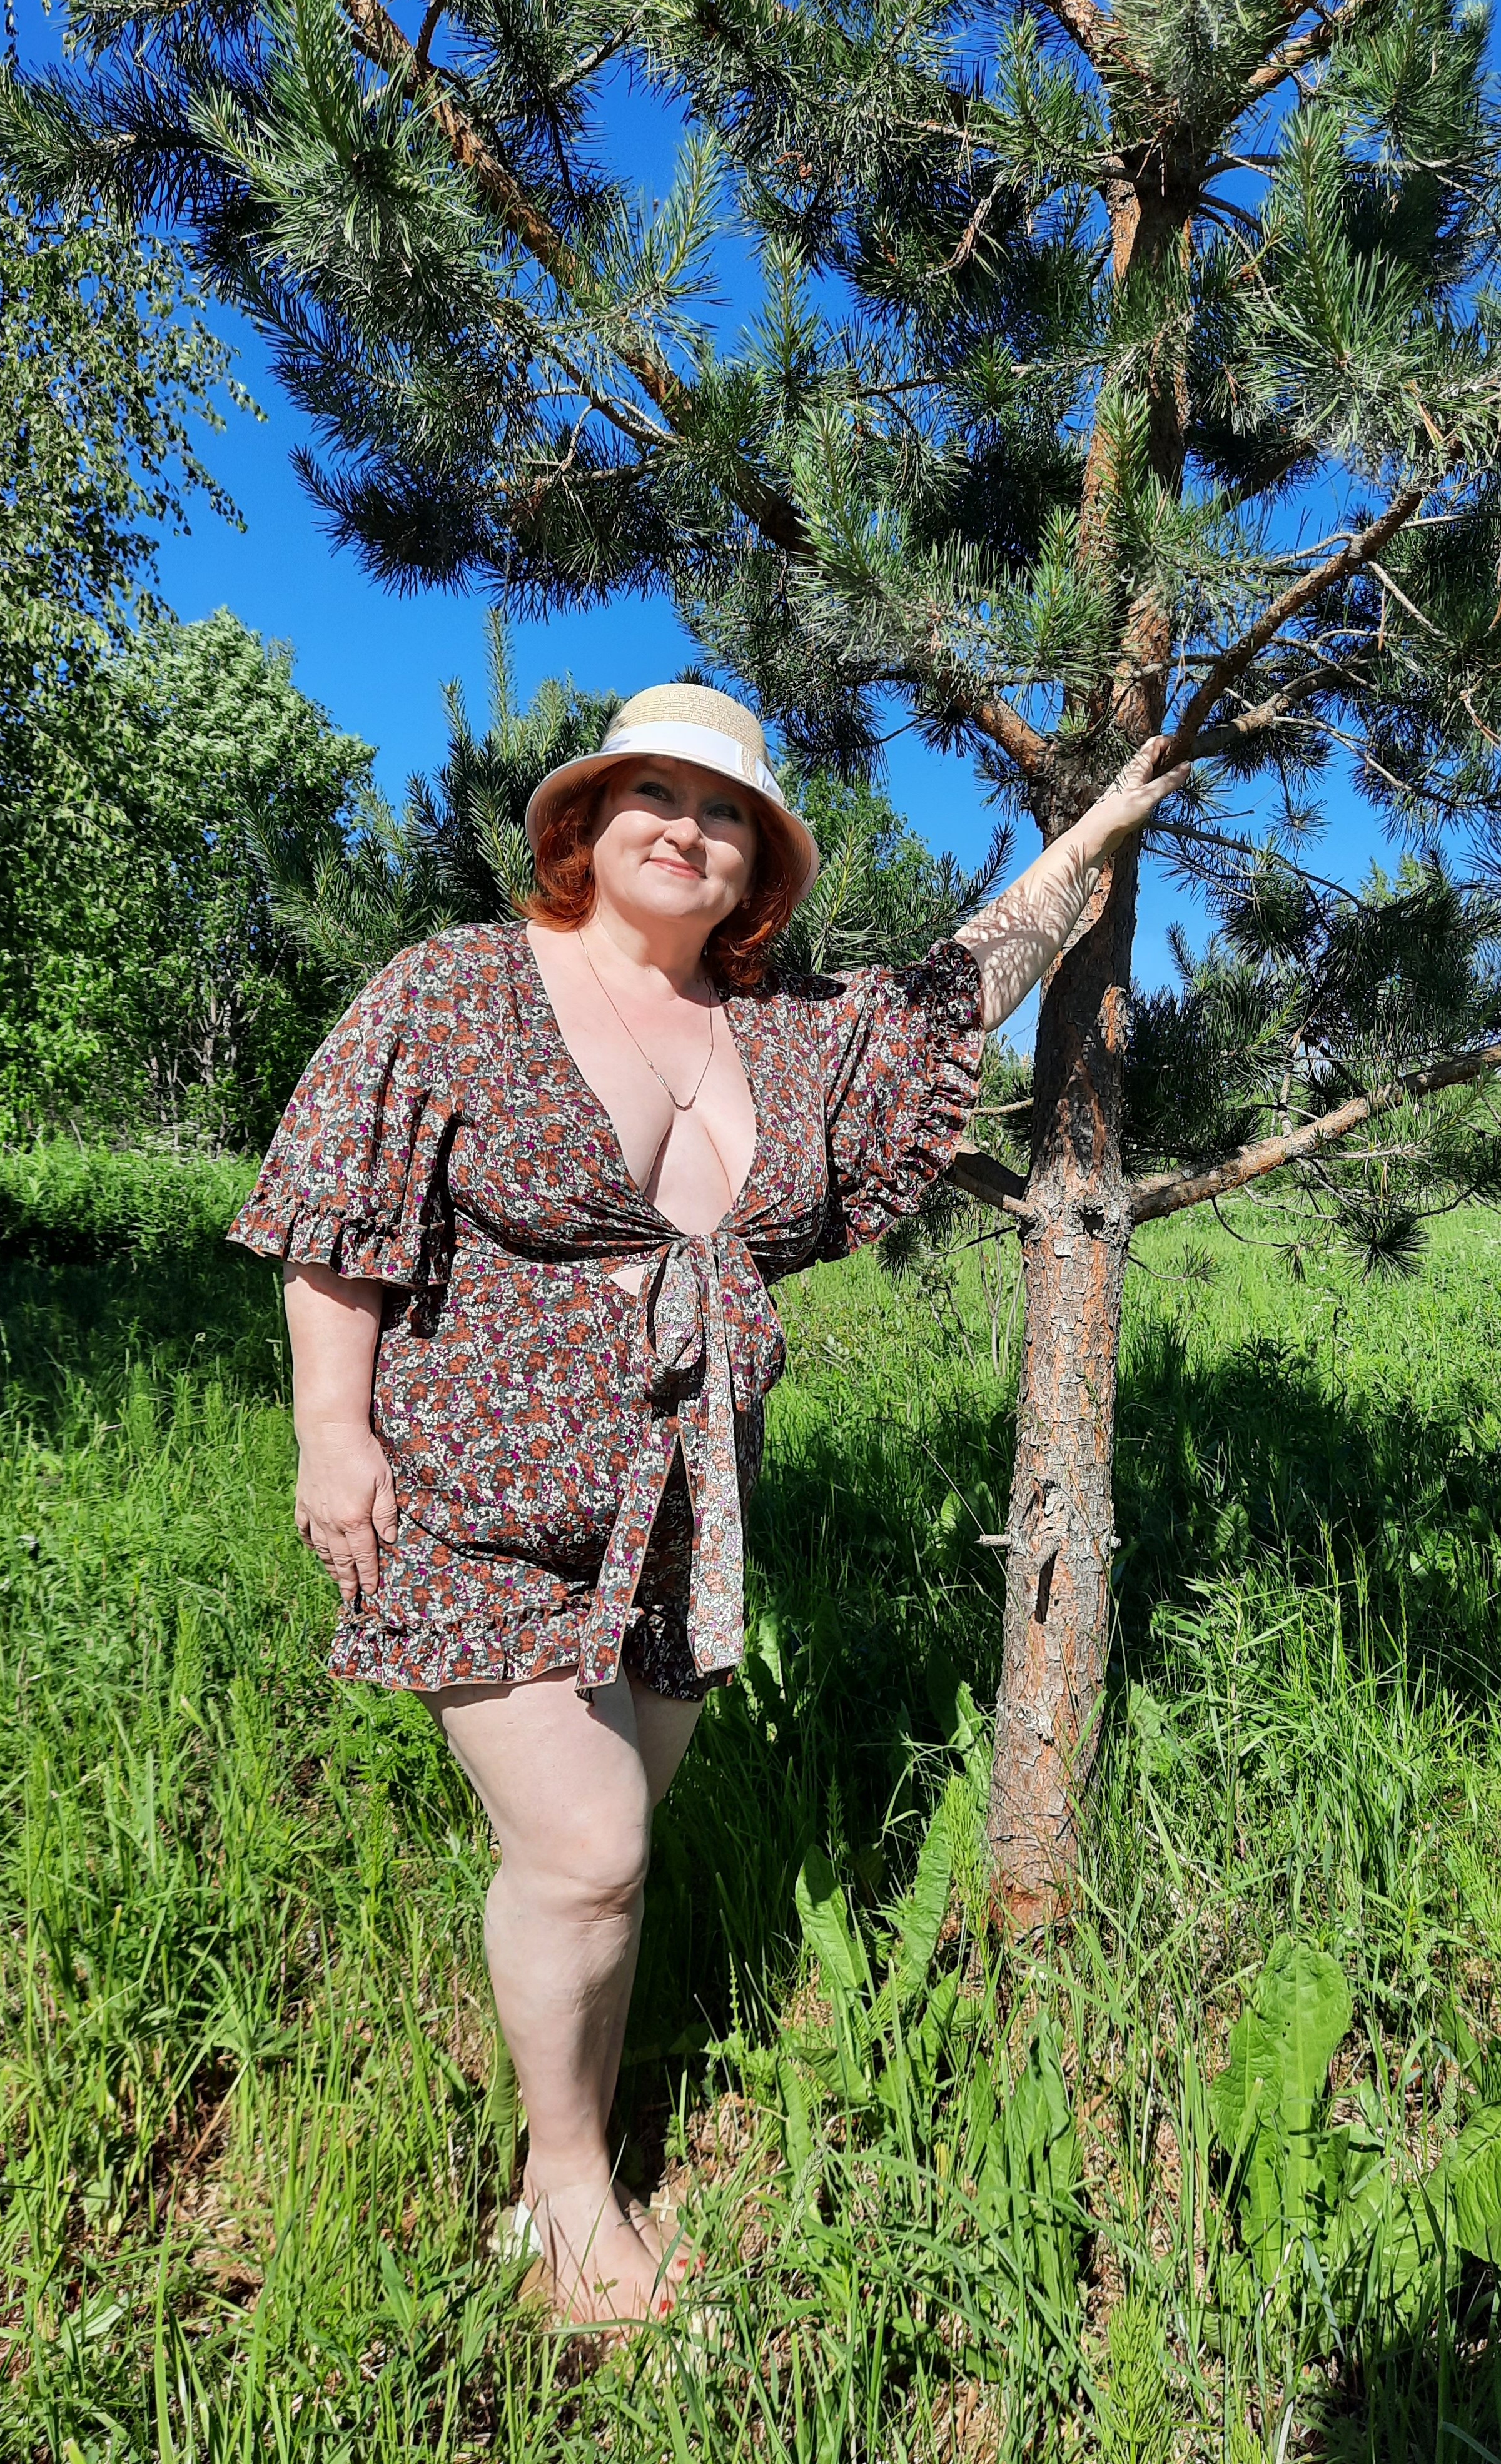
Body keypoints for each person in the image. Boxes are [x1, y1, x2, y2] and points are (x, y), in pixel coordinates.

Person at [230, 682, 1187, 2327]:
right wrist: (332, 1429)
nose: (687, 828)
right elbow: (337, 1206)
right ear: (584, 826)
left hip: (686, 1513)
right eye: (653, 796)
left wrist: (1093, 836)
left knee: (600, 1860)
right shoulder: (458, 987)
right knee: (590, 1848)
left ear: (760, 863)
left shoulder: (790, 1036)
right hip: (478, 1501)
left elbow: (960, 984)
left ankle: (566, 2125)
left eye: (725, 810)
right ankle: (566, 2199)